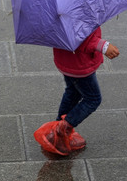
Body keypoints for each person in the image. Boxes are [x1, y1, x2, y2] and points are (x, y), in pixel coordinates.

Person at [35, 27, 119, 156]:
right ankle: (62, 129)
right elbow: (78, 36)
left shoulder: (60, 12)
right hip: (79, 63)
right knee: (93, 99)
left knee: (73, 92)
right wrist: (102, 45)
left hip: (66, 61)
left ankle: (58, 130)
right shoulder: (78, 10)